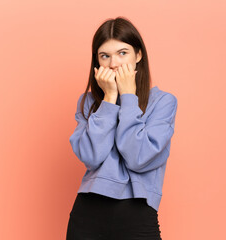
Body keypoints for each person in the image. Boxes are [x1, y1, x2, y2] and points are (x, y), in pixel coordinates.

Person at [66, 16, 178, 240]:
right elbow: (91, 156)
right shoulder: (89, 102)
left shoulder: (163, 102)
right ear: (97, 62)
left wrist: (128, 97)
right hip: (88, 211)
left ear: (138, 55)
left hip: (137, 212)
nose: (113, 63)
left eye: (122, 53)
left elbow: (139, 157)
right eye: (104, 56)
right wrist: (109, 99)